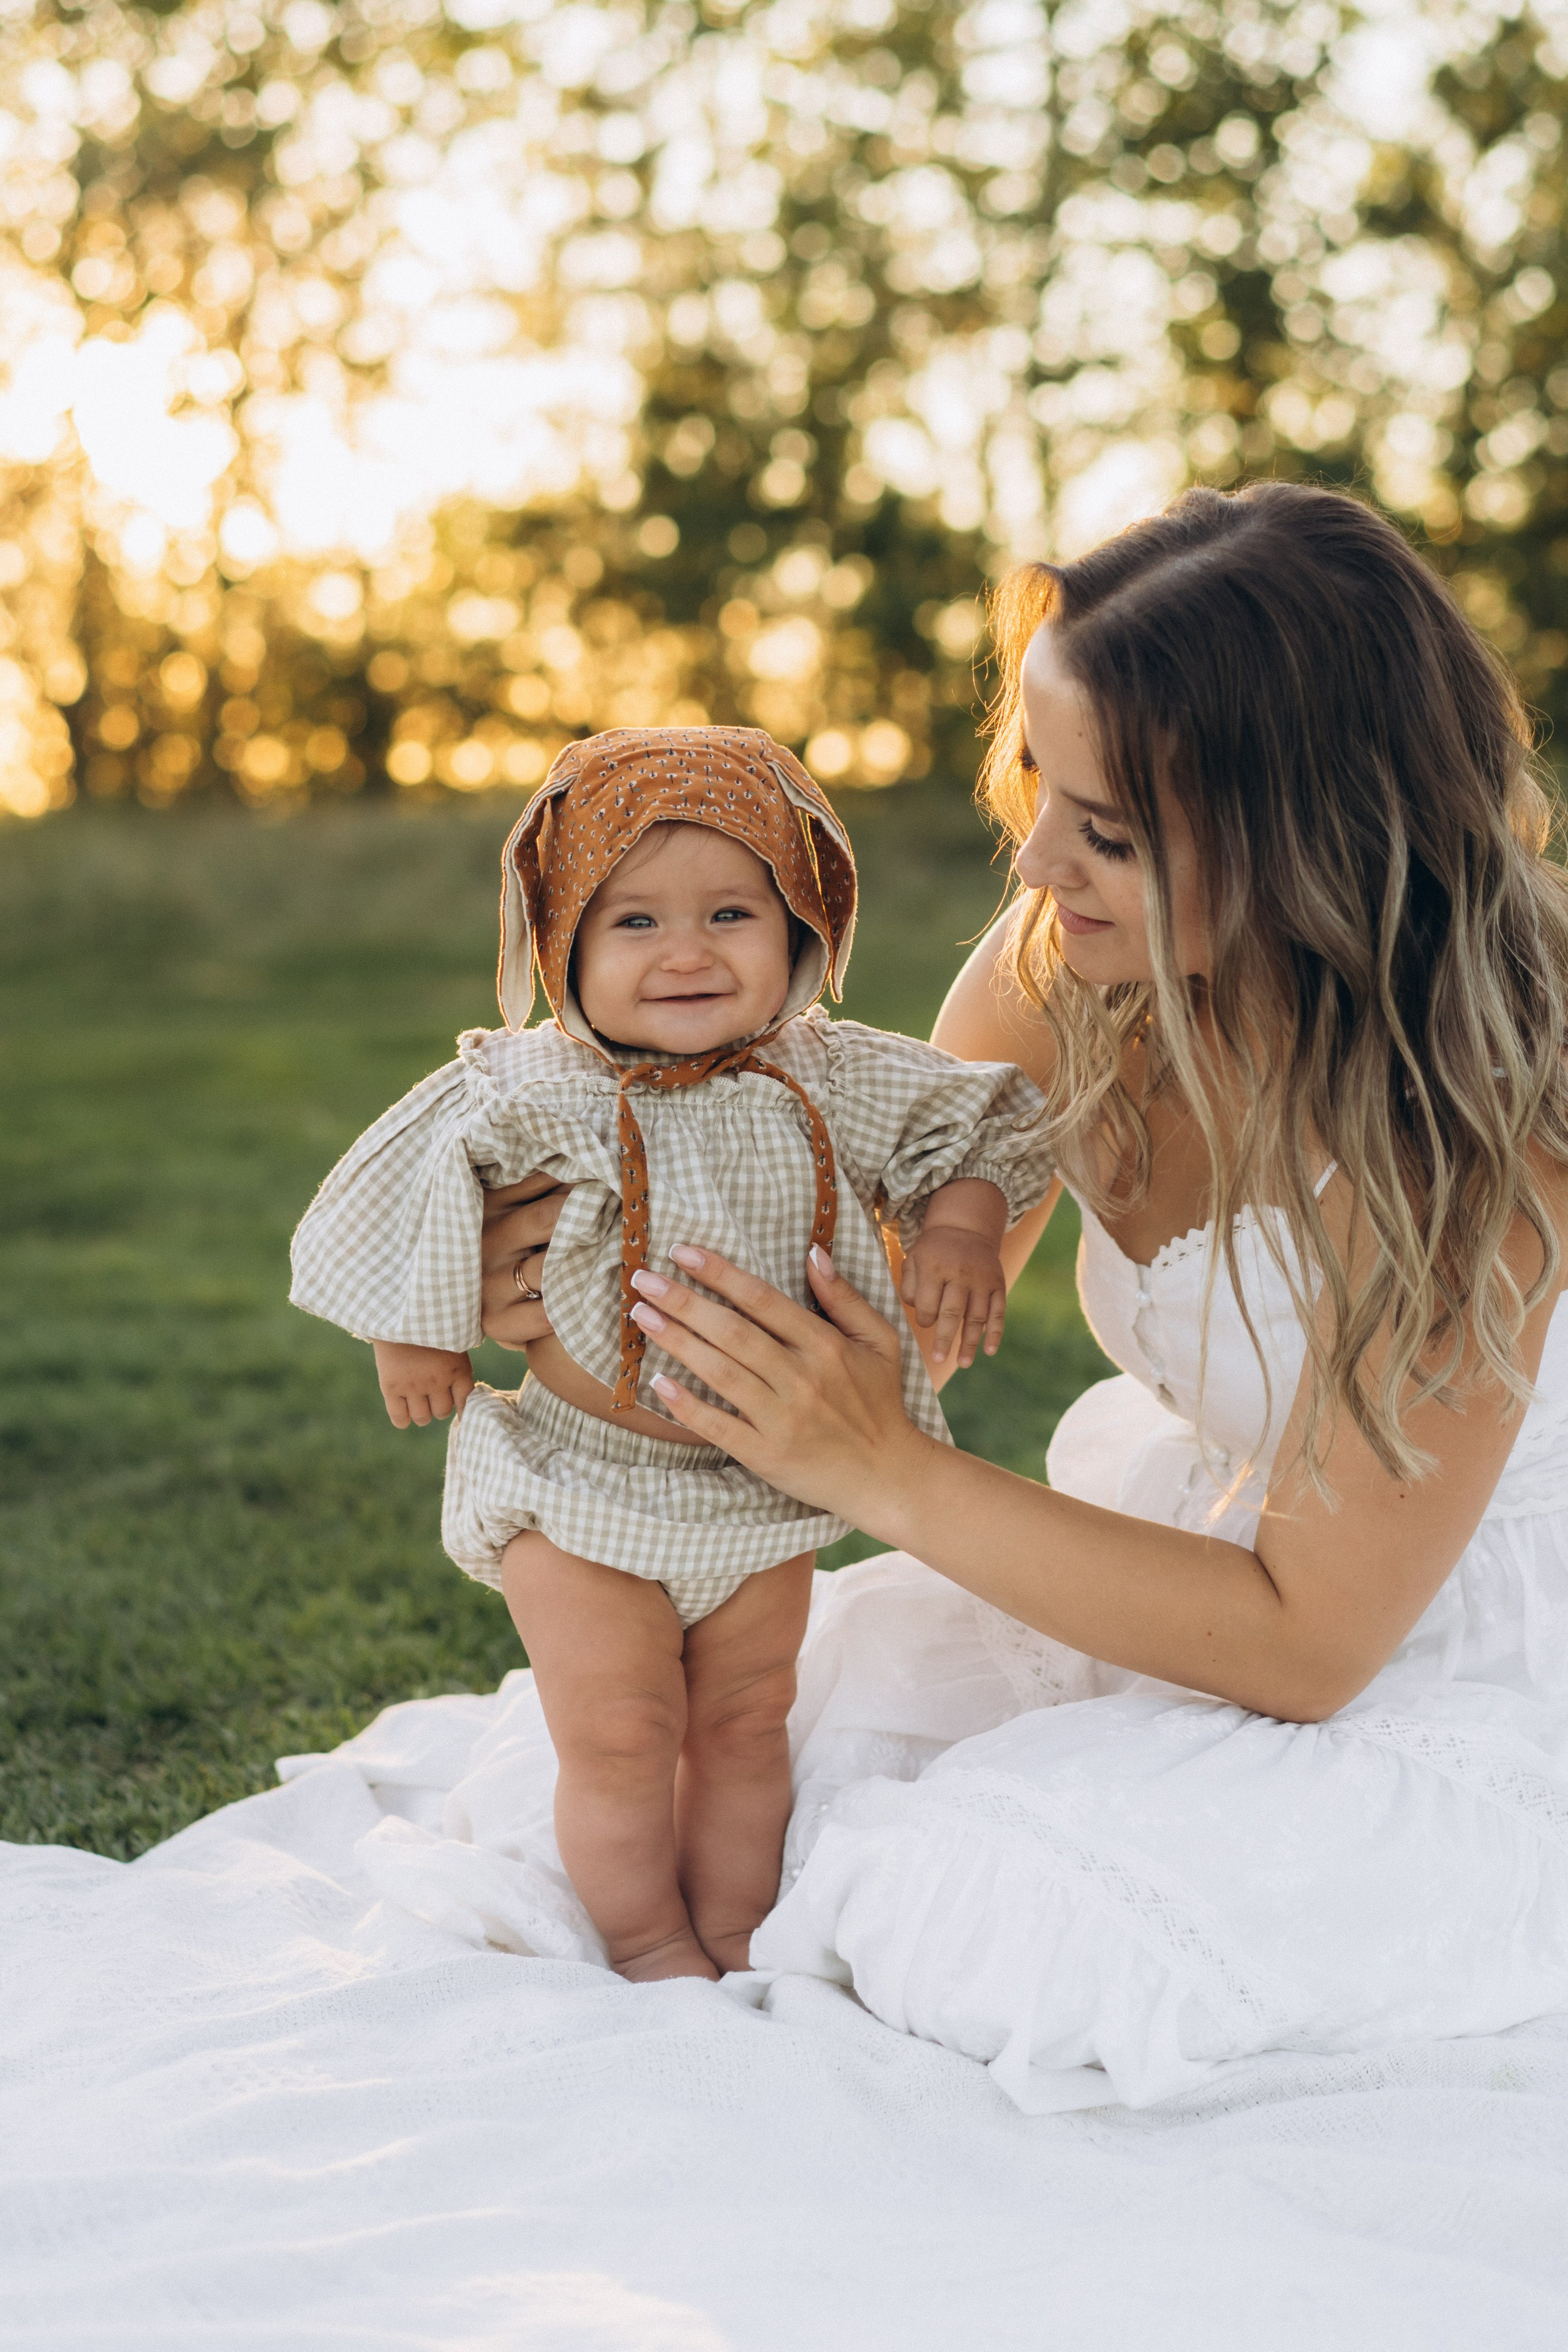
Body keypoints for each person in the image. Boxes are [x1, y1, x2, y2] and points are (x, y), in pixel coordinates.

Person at [485, 484, 1568, 2109]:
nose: (1037, 859)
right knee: (756, 1756)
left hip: (1446, 1624)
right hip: (1243, 1534)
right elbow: (823, 1261)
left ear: (1314, 841)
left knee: (1005, 1924)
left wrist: (887, 1475)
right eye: (1043, 790)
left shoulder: (1473, 1134)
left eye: (1109, 832)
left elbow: (1313, 1648)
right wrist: (581, 1282)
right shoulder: (1072, 961)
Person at [290, 726, 1055, 1984]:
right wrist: (411, 1332)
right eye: (633, 923)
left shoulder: (833, 1075)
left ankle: (740, 1927)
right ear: (561, 950)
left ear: (802, 932)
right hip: (578, 1481)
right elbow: (412, 1184)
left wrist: (964, 1229)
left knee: (751, 1725)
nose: (687, 950)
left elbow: (972, 1121)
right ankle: (646, 1937)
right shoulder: (539, 1084)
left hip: (763, 1488)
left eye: (731, 913)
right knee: (626, 1731)